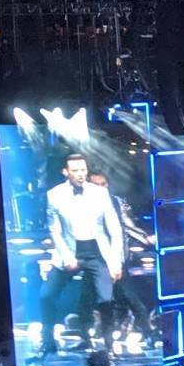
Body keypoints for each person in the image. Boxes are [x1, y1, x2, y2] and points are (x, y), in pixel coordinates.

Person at [42, 150, 127, 354]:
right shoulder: (54, 195)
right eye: (75, 170)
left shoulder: (100, 192)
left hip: (97, 251)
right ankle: (48, 342)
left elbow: (114, 227)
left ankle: (108, 344)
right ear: (66, 172)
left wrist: (116, 262)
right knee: (46, 296)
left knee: (106, 300)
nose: (80, 174)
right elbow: (54, 229)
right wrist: (67, 256)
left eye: (83, 169)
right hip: (70, 251)